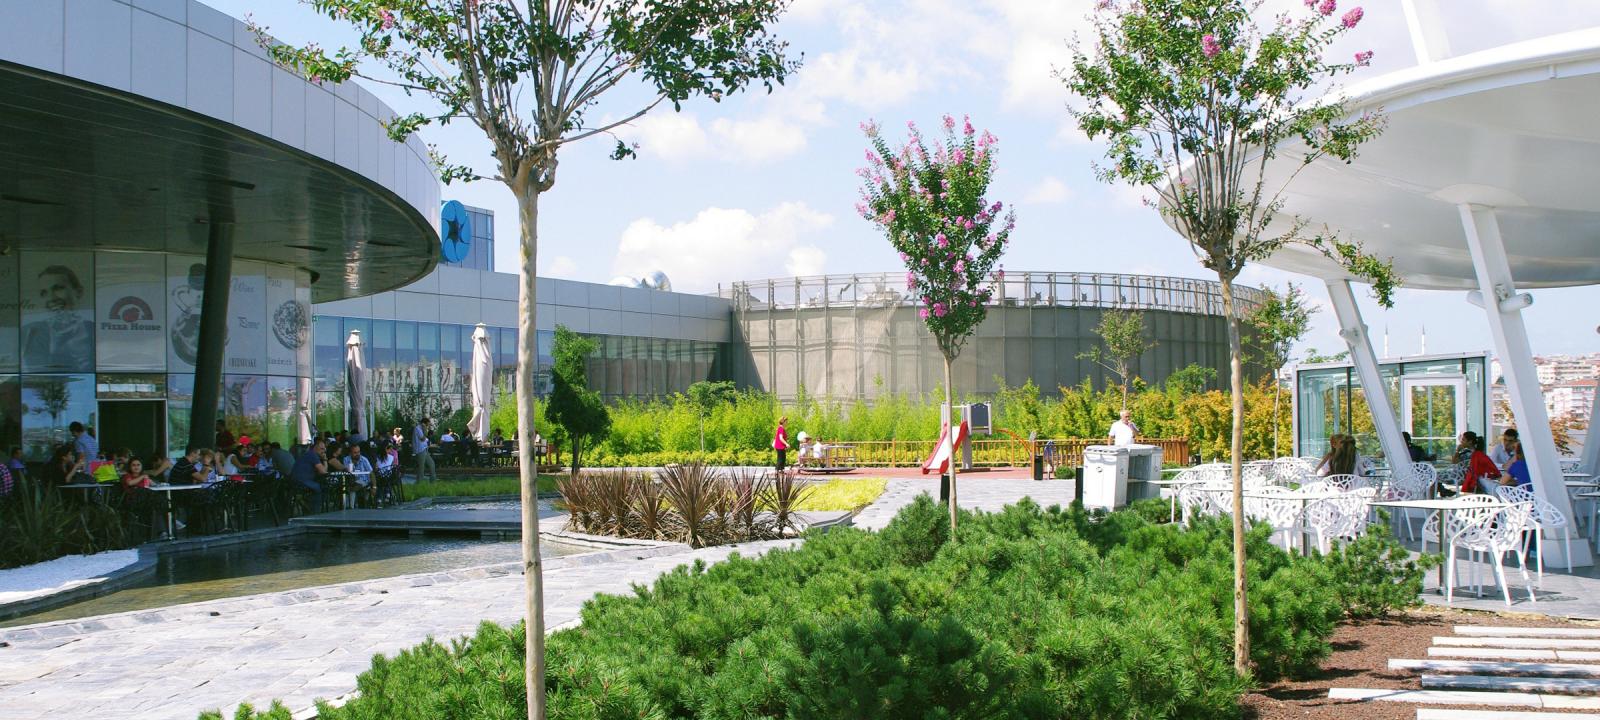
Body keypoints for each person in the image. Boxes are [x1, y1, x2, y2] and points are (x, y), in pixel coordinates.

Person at [21, 264, 94, 371]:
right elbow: (38, 376)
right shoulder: (30, 331)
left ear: (78, 292)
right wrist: (56, 347)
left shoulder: (94, 330)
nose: (51, 298)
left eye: (58, 289)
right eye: (44, 293)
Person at [292, 439, 330, 511]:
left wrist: (324, 460)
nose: (324, 451)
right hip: (301, 481)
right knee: (319, 487)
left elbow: (323, 471)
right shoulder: (312, 455)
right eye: (322, 449)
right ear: (315, 447)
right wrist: (325, 460)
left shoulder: (309, 454)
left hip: (297, 480)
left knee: (320, 486)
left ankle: (308, 507)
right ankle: (315, 512)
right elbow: (323, 471)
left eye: (325, 449)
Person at [412, 417, 437, 482]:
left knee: (432, 464)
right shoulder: (418, 429)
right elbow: (422, 438)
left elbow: (425, 439)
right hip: (420, 450)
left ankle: (433, 482)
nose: (428, 426)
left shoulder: (422, 429)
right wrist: (425, 429)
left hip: (425, 449)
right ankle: (419, 483)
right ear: (423, 424)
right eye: (427, 424)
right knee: (421, 468)